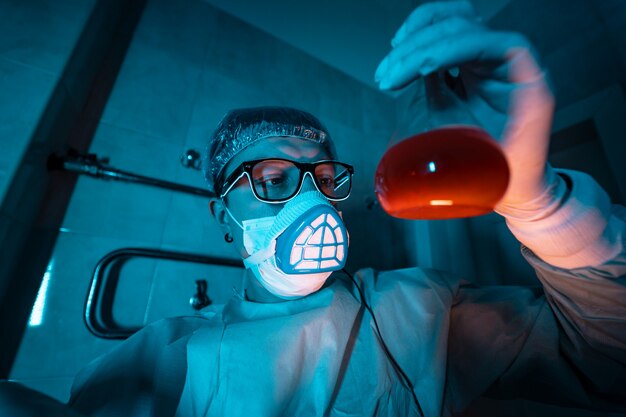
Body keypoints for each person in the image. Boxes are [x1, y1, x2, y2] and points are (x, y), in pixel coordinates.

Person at [63, 1, 626, 416]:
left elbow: (605, 359)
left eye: (325, 179)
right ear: (224, 222)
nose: (312, 199)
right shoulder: (158, 364)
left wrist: (539, 200)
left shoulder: (420, 308)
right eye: (275, 179)